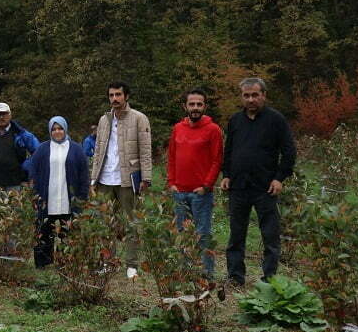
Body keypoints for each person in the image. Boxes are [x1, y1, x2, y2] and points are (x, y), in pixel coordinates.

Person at [221, 78, 295, 286]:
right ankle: (235, 277)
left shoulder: (276, 120)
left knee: (270, 236)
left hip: (266, 188)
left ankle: (269, 279)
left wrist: (279, 178)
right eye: (246, 95)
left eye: (255, 95)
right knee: (236, 235)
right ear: (241, 97)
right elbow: (229, 151)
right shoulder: (235, 120)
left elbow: (289, 152)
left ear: (264, 95)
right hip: (238, 186)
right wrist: (226, 174)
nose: (251, 99)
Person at [90, 81, 152, 279]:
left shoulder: (139, 119)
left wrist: (146, 178)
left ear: (126, 96)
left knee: (132, 222)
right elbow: (98, 150)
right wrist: (93, 179)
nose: (114, 98)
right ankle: (109, 262)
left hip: (128, 179)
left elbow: (145, 150)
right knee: (106, 222)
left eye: (118, 94)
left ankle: (131, 264)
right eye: (111, 95)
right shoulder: (104, 120)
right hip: (105, 179)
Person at [167, 89, 223, 278]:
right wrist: (171, 182)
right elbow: (172, 156)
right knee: (182, 232)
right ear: (185, 106)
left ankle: (207, 273)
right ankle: (186, 270)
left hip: (200, 193)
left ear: (205, 106)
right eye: (192, 104)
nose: (196, 108)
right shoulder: (178, 128)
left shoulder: (213, 129)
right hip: (179, 191)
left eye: (199, 104)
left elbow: (217, 160)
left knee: (203, 233)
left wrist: (207, 185)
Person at [28, 117, 89, 268]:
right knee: (44, 230)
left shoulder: (76, 149)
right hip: (47, 197)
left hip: (68, 198)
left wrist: (82, 196)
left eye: (60, 128)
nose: (57, 132)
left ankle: (66, 261)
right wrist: (34, 193)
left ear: (65, 129)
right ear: (50, 131)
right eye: (54, 129)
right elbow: (33, 171)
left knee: (67, 231)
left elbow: (84, 174)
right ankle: (44, 262)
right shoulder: (42, 149)